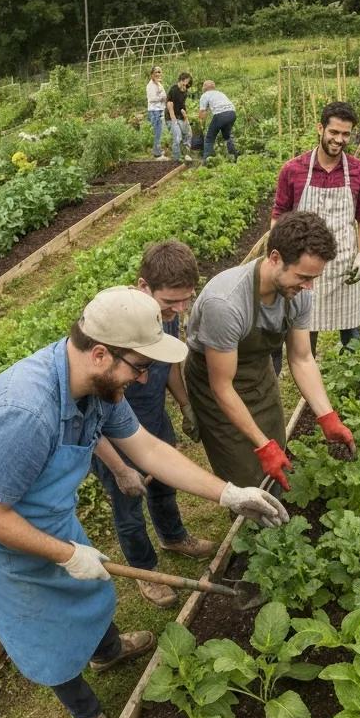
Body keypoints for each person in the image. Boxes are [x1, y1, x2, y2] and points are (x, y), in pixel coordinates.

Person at [0, 286, 289, 718]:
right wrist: (66, 553)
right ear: (101, 354)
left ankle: (107, 652)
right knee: (41, 625)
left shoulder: (98, 388)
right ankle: (86, 711)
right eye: (141, 366)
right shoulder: (27, 411)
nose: (146, 380)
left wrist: (227, 493)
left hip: (43, 508)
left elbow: (147, 448)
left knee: (85, 591)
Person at [184, 211, 356, 493]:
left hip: (258, 372)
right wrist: (262, 446)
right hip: (216, 384)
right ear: (275, 258)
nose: (309, 286)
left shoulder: (299, 293)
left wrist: (327, 416)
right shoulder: (226, 304)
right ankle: (249, 526)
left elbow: (301, 358)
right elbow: (223, 387)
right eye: (302, 276)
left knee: (276, 441)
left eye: (314, 278)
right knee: (243, 472)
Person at [90, 242, 211, 608]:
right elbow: (87, 416)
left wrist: (185, 403)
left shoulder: (167, 313)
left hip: (154, 421)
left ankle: (173, 536)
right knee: (128, 506)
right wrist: (119, 467)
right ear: (144, 286)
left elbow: (168, 362)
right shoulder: (112, 328)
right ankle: (146, 572)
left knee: (164, 484)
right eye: (170, 303)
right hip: (114, 439)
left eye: (186, 300)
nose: (178, 310)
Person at [271, 100, 360, 372]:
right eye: (334, 132)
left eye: (345, 134)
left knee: (351, 332)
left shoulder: (359, 172)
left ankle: (354, 375)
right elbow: (279, 216)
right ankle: (306, 371)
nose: (339, 140)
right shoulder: (293, 170)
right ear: (320, 128)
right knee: (306, 328)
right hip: (305, 268)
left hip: (343, 265)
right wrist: (281, 259)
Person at [198, 80, 238, 164]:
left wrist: (201, 124)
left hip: (220, 115)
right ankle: (234, 157)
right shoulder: (220, 93)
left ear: (204, 87)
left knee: (209, 139)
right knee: (227, 136)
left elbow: (202, 113)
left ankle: (206, 162)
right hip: (232, 114)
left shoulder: (205, 95)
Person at [166, 73, 194, 164]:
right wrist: (174, 120)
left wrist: (186, 117)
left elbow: (182, 106)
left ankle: (186, 154)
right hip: (172, 117)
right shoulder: (173, 89)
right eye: (187, 82)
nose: (187, 85)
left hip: (181, 116)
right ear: (182, 80)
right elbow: (170, 105)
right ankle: (176, 160)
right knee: (178, 137)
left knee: (188, 134)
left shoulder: (185, 91)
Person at [146, 66, 167, 160]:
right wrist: (161, 97)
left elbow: (164, 94)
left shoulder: (159, 84)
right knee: (157, 131)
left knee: (160, 131)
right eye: (156, 72)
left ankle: (157, 150)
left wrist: (163, 97)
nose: (158, 74)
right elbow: (152, 99)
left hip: (160, 109)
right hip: (154, 110)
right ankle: (156, 153)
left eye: (159, 72)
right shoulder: (150, 85)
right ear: (152, 74)